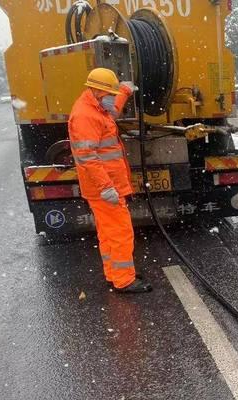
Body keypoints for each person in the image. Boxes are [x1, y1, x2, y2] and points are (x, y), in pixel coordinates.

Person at [68, 68, 152, 293]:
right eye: (110, 94)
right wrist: (106, 188)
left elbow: (112, 112)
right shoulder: (85, 116)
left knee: (107, 233)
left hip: (106, 186)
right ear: (97, 92)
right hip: (105, 188)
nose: (113, 100)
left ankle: (114, 274)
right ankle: (124, 280)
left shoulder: (96, 109)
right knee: (121, 232)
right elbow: (87, 156)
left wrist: (124, 90)